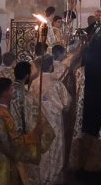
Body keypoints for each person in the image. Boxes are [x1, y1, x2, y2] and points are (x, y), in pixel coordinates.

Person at [0, 77, 52, 185]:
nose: (13, 91)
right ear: (5, 93)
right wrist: (34, 135)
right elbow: (13, 145)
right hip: (3, 164)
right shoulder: (3, 117)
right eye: (11, 89)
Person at [28, 55, 72, 185]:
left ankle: (40, 178)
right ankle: (53, 178)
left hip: (39, 122)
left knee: (42, 148)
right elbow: (67, 102)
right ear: (51, 66)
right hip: (55, 122)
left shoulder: (35, 83)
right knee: (55, 147)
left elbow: (30, 103)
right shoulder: (57, 83)